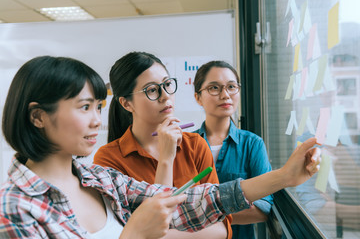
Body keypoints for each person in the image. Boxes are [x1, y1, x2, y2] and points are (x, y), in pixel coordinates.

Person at [0, 55, 321, 239]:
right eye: (85, 108)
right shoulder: (15, 208)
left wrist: (284, 177)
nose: (97, 121)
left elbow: (194, 201)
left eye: (98, 107)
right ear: (39, 116)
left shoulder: (97, 177)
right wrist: (137, 235)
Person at [93, 51, 232, 238]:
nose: (165, 96)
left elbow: (222, 228)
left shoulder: (195, 145)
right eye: (151, 90)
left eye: (167, 84)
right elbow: (125, 232)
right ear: (126, 104)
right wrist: (166, 159)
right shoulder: (108, 158)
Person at [193, 60, 272, 239]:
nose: (225, 94)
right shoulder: (186, 144)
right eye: (214, 88)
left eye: (231, 86)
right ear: (198, 97)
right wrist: (238, 208)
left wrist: (202, 215)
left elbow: (263, 208)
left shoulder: (253, 144)